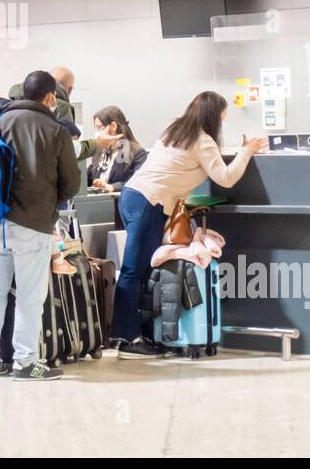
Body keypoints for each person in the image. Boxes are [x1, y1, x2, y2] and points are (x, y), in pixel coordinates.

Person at [114, 92, 267, 358]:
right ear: (213, 116)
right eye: (223, 116)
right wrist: (247, 151)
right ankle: (129, 339)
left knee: (142, 269)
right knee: (133, 271)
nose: (224, 120)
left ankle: (139, 334)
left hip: (134, 197)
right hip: (148, 202)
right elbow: (226, 178)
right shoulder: (202, 140)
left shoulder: (174, 130)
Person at [0, 70, 81, 382]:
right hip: (32, 222)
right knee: (30, 295)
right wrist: (50, 203)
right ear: (50, 97)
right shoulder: (54, 129)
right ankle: (25, 363)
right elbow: (71, 183)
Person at [87, 106, 147, 193]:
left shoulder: (135, 152)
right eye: (97, 129)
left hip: (120, 203)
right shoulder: (100, 152)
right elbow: (88, 178)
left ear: (113, 126)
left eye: (101, 128)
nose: (99, 134)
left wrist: (113, 187)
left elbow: (140, 182)